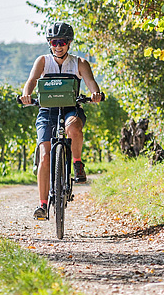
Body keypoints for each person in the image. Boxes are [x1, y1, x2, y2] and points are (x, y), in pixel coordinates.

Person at [19, 22, 104, 221]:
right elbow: (31, 81)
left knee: (73, 127)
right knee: (44, 156)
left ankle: (77, 163)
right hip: (47, 110)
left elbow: (91, 82)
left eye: (63, 42)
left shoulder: (79, 63)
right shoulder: (43, 61)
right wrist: (26, 95)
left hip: (70, 109)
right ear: (49, 43)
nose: (59, 46)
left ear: (69, 43)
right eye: (55, 42)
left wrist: (95, 94)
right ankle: (42, 205)